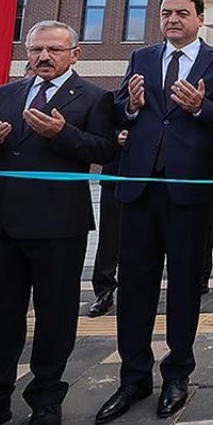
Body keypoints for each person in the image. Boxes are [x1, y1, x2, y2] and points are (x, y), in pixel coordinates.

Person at [0, 21, 118, 425]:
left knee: (55, 317)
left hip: (57, 226)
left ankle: (46, 400)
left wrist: (62, 134)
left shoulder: (94, 97)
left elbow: (106, 151)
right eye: (36, 50)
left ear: (76, 53)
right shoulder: (5, 94)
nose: (44, 57)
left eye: (54, 49)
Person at [95, 0, 213, 425]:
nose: (172, 19)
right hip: (140, 187)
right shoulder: (142, 59)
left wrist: (200, 108)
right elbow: (121, 110)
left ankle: (177, 373)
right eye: (165, 13)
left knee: (182, 285)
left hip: (189, 190)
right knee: (135, 284)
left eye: (181, 12)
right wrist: (134, 105)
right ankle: (133, 375)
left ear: (200, 18)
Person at [88, 130, 127, 318]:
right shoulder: (108, 98)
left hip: (156, 172)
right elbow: (99, 122)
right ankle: (104, 290)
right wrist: (115, 135)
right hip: (117, 171)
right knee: (109, 236)